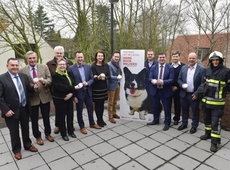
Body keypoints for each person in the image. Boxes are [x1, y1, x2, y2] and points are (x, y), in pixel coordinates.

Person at [0, 58, 38, 160]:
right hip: (11, 111)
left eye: (16, 65)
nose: (15, 67)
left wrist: (34, 88)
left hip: (24, 107)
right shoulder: (2, 78)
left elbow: (27, 89)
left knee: (26, 128)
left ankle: (27, 144)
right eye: (12, 65)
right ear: (7, 66)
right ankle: (16, 150)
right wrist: (6, 110)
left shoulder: (23, 76)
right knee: (14, 131)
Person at [20, 51, 54, 145]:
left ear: (37, 58)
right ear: (27, 59)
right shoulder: (22, 70)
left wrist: (44, 81)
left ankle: (48, 133)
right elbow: (23, 84)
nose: (32, 60)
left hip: (44, 96)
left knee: (46, 117)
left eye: (33, 58)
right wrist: (32, 87)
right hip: (32, 98)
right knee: (34, 119)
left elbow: (50, 79)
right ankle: (37, 136)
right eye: (30, 58)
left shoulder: (44, 67)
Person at [198, 51, 230, 152]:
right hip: (206, 102)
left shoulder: (226, 71)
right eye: (213, 60)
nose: (215, 62)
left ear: (220, 61)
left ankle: (214, 142)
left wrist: (225, 93)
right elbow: (203, 84)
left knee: (215, 123)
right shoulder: (207, 71)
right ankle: (207, 134)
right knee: (206, 120)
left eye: (217, 60)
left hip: (218, 104)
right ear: (211, 61)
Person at [68, 51, 101, 135]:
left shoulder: (88, 66)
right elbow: (71, 83)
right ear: (75, 58)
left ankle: (92, 123)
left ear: (83, 58)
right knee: (79, 110)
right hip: (78, 93)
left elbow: (92, 78)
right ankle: (82, 126)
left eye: (81, 57)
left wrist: (88, 83)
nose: (80, 59)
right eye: (78, 57)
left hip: (88, 91)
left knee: (90, 108)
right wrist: (74, 96)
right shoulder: (71, 69)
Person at [46, 46, 73, 134]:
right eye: (57, 53)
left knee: (69, 111)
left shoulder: (69, 63)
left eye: (60, 53)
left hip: (69, 92)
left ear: (63, 54)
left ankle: (69, 126)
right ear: (54, 53)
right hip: (56, 92)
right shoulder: (49, 64)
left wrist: (72, 92)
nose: (59, 54)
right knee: (59, 111)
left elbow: (72, 78)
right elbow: (49, 78)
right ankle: (59, 126)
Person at [177, 52, 205, 134]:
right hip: (184, 94)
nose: (191, 60)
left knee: (195, 111)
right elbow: (179, 79)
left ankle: (194, 126)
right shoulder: (183, 68)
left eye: (193, 58)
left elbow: (203, 83)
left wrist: (197, 94)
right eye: (190, 58)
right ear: (188, 59)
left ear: (196, 59)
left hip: (194, 95)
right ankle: (184, 123)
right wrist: (182, 84)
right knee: (184, 110)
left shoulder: (202, 69)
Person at [52, 58, 77, 141]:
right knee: (61, 117)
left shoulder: (68, 73)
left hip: (69, 98)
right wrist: (73, 88)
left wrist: (71, 93)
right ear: (57, 66)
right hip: (60, 99)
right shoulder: (55, 75)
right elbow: (60, 87)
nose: (62, 66)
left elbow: (73, 83)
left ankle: (70, 131)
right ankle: (63, 133)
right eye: (60, 64)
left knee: (70, 115)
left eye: (64, 64)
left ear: (66, 65)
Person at [147, 52, 174, 131]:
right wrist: (153, 81)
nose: (162, 59)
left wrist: (163, 82)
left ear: (166, 58)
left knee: (167, 107)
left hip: (165, 90)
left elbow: (172, 79)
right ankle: (156, 120)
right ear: (158, 58)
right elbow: (149, 78)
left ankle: (167, 122)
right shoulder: (153, 67)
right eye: (160, 57)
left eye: (163, 57)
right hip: (155, 90)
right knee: (155, 106)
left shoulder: (170, 67)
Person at [91, 51, 110, 127]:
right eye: (99, 56)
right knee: (97, 104)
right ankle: (98, 120)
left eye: (101, 56)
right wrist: (98, 77)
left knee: (102, 104)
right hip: (96, 88)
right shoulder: (93, 66)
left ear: (103, 57)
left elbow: (109, 76)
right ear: (96, 57)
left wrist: (105, 78)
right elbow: (92, 77)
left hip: (103, 88)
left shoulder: (106, 65)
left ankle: (101, 119)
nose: (100, 57)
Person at [170, 51, 185, 125]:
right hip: (169, 88)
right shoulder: (168, 65)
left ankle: (176, 118)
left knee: (177, 104)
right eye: (173, 56)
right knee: (168, 104)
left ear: (179, 57)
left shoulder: (183, 66)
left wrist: (178, 87)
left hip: (178, 89)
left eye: (176, 56)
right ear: (172, 57)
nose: (175, 58)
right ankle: (168, 118)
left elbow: (184, 78)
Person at [107, 51, 122, 123]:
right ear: (112, 56)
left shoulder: (118, 64)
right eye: (115, 56)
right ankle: (110, 117)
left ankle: (114, 113)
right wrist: (117, 77)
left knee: (115, 100)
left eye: (118, 57)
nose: (116, 58)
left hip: (117, 84)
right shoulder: (109, 65)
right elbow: (109, 76)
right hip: (111, 85)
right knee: (111, 101)